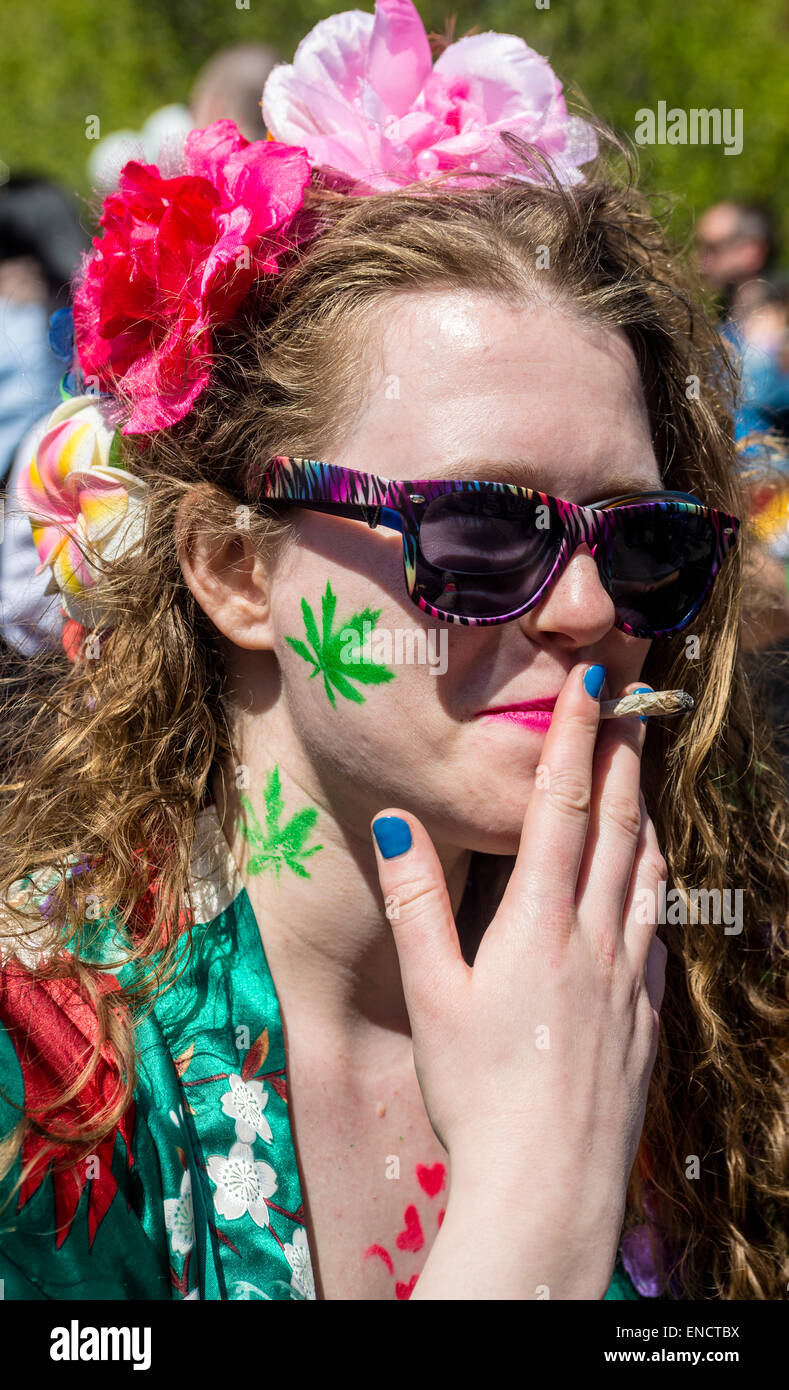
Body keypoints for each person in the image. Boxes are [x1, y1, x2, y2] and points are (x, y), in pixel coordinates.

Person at [0, 0, 786, 1302]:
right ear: (234, 568)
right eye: (478, 529)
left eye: (643, 539)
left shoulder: (720, 1008)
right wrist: (530, 1222)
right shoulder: (45, 1060)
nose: (589, 606)